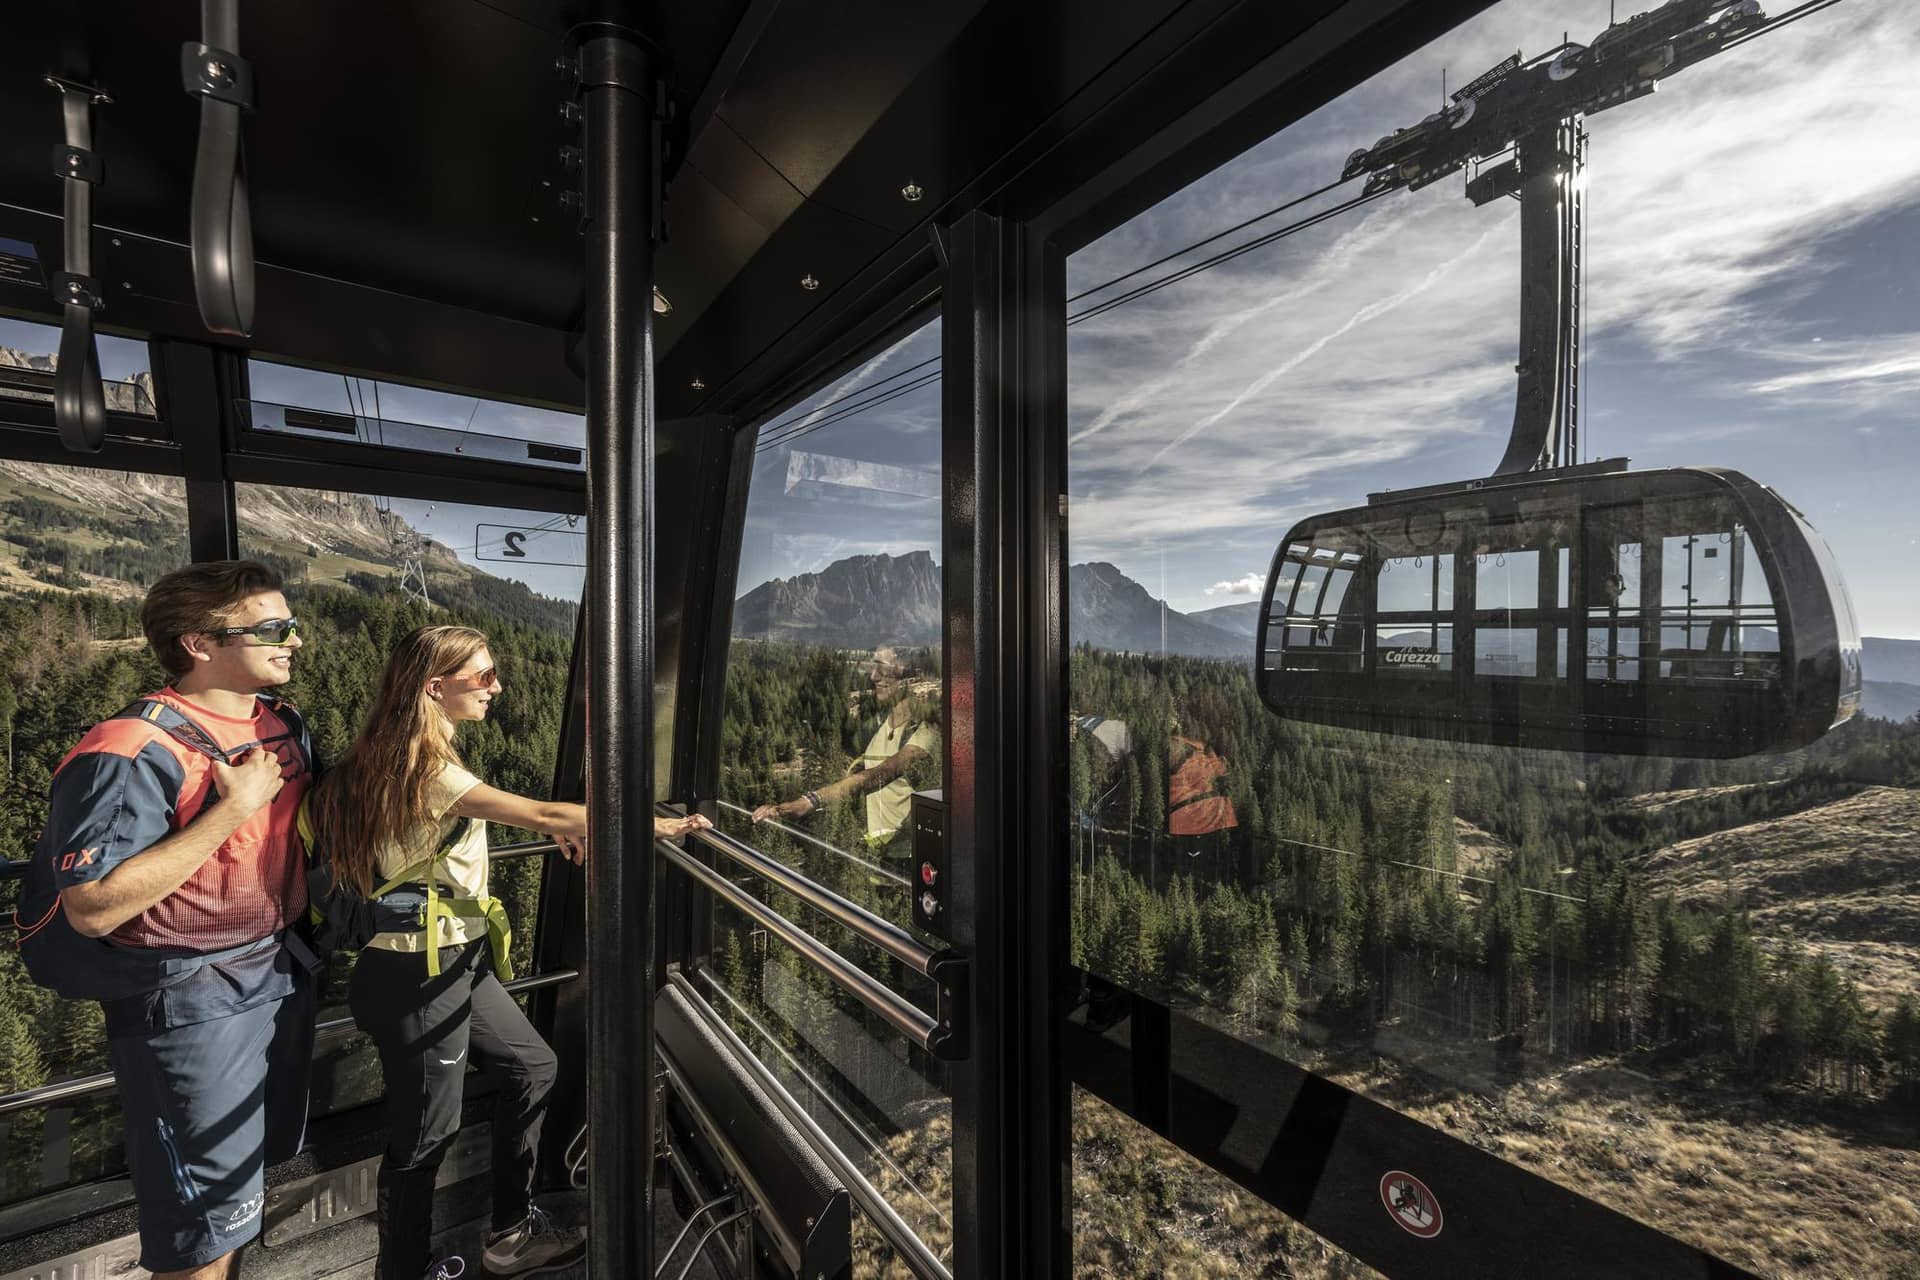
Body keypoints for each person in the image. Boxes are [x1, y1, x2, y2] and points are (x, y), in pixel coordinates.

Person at [306, 624, 709, 1280]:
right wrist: (654, 824)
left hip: (453, 965)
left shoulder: (403, 755)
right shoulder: (425, 768)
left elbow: (438, 841)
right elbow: (541, 813)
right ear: (434, 687)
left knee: (532, 1065)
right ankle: (403, 1270)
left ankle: (511, 1233)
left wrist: (565, 832)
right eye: (483, 676)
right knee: (425, 1135)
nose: (496, 687)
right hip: (419, 974)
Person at [23, 560, 316, 1280]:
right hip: (188, 1000)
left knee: (238, 1195)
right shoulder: (129, 748)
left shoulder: (281, 723)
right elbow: (93, 905)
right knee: (201, 1232)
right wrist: (235, 808)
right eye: (273, 629)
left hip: (276, 972)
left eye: (291, 625)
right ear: (198, 642)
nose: (294, 640)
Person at [750, 696, 939, 855]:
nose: (874, 676)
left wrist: (808, 802)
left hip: (908, 851)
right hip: (878, 847)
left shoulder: (927, 726)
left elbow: (883, 772)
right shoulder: (878, 721)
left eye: (884, 671)